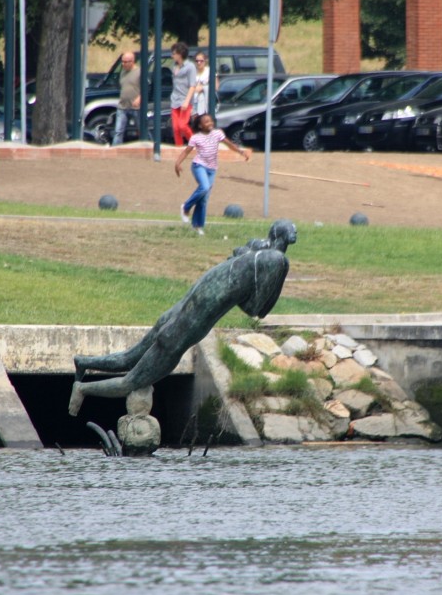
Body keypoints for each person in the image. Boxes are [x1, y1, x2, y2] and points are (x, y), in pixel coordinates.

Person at [68, 220, 298, 417]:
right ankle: (82, 390)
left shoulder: (250, 255)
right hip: (180, 333)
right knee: (130, 382)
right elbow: (255, 310)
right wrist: (279, 280)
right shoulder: (276, 259)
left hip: (172, 316)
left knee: (129, 357)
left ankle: (84, 362)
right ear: (288, 239)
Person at [175, 113, 252, 236]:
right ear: (200, 126)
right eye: (206, 122)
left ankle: (198, 226)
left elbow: (229, 144)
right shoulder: (196, 138)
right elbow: (186, 152)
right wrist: (177, 164)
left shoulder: (217, 134)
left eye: (211, 121)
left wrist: (241, 152)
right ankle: (185, 207)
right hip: (198, 166)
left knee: (204, 198)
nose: (210, 124)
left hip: (212, 169)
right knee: (204, 187)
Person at [170, 42, 197, 146]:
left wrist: (187, 101)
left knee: (182, 125)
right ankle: (179, 149)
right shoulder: (174, 66)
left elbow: (192, 85)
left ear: (180, 54)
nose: (172, 56)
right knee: (176, 128)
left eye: (174, 53)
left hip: (185, 100)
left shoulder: (190, 67)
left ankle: (195, 145)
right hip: (175, 100)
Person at [111, 51, 141, 146]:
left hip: (136, 107)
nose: (123, 64)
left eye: (126, 62)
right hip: (123, 105)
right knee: (118, 131)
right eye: (122, 62)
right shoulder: (123, 72)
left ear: (132, 61)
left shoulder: (139, 72)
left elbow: (145, 88)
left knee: (142, 129)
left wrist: (139, 99)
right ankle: (115, 149)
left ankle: (148, 146)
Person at [192, 51, 218, 120]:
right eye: (197, 61)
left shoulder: (209, 71)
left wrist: (203, 88)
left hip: (206, 104)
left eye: (201, 61)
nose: (199, 63)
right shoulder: (192, 72)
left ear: (205, 61)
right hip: (194, 104)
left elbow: (216, 87)